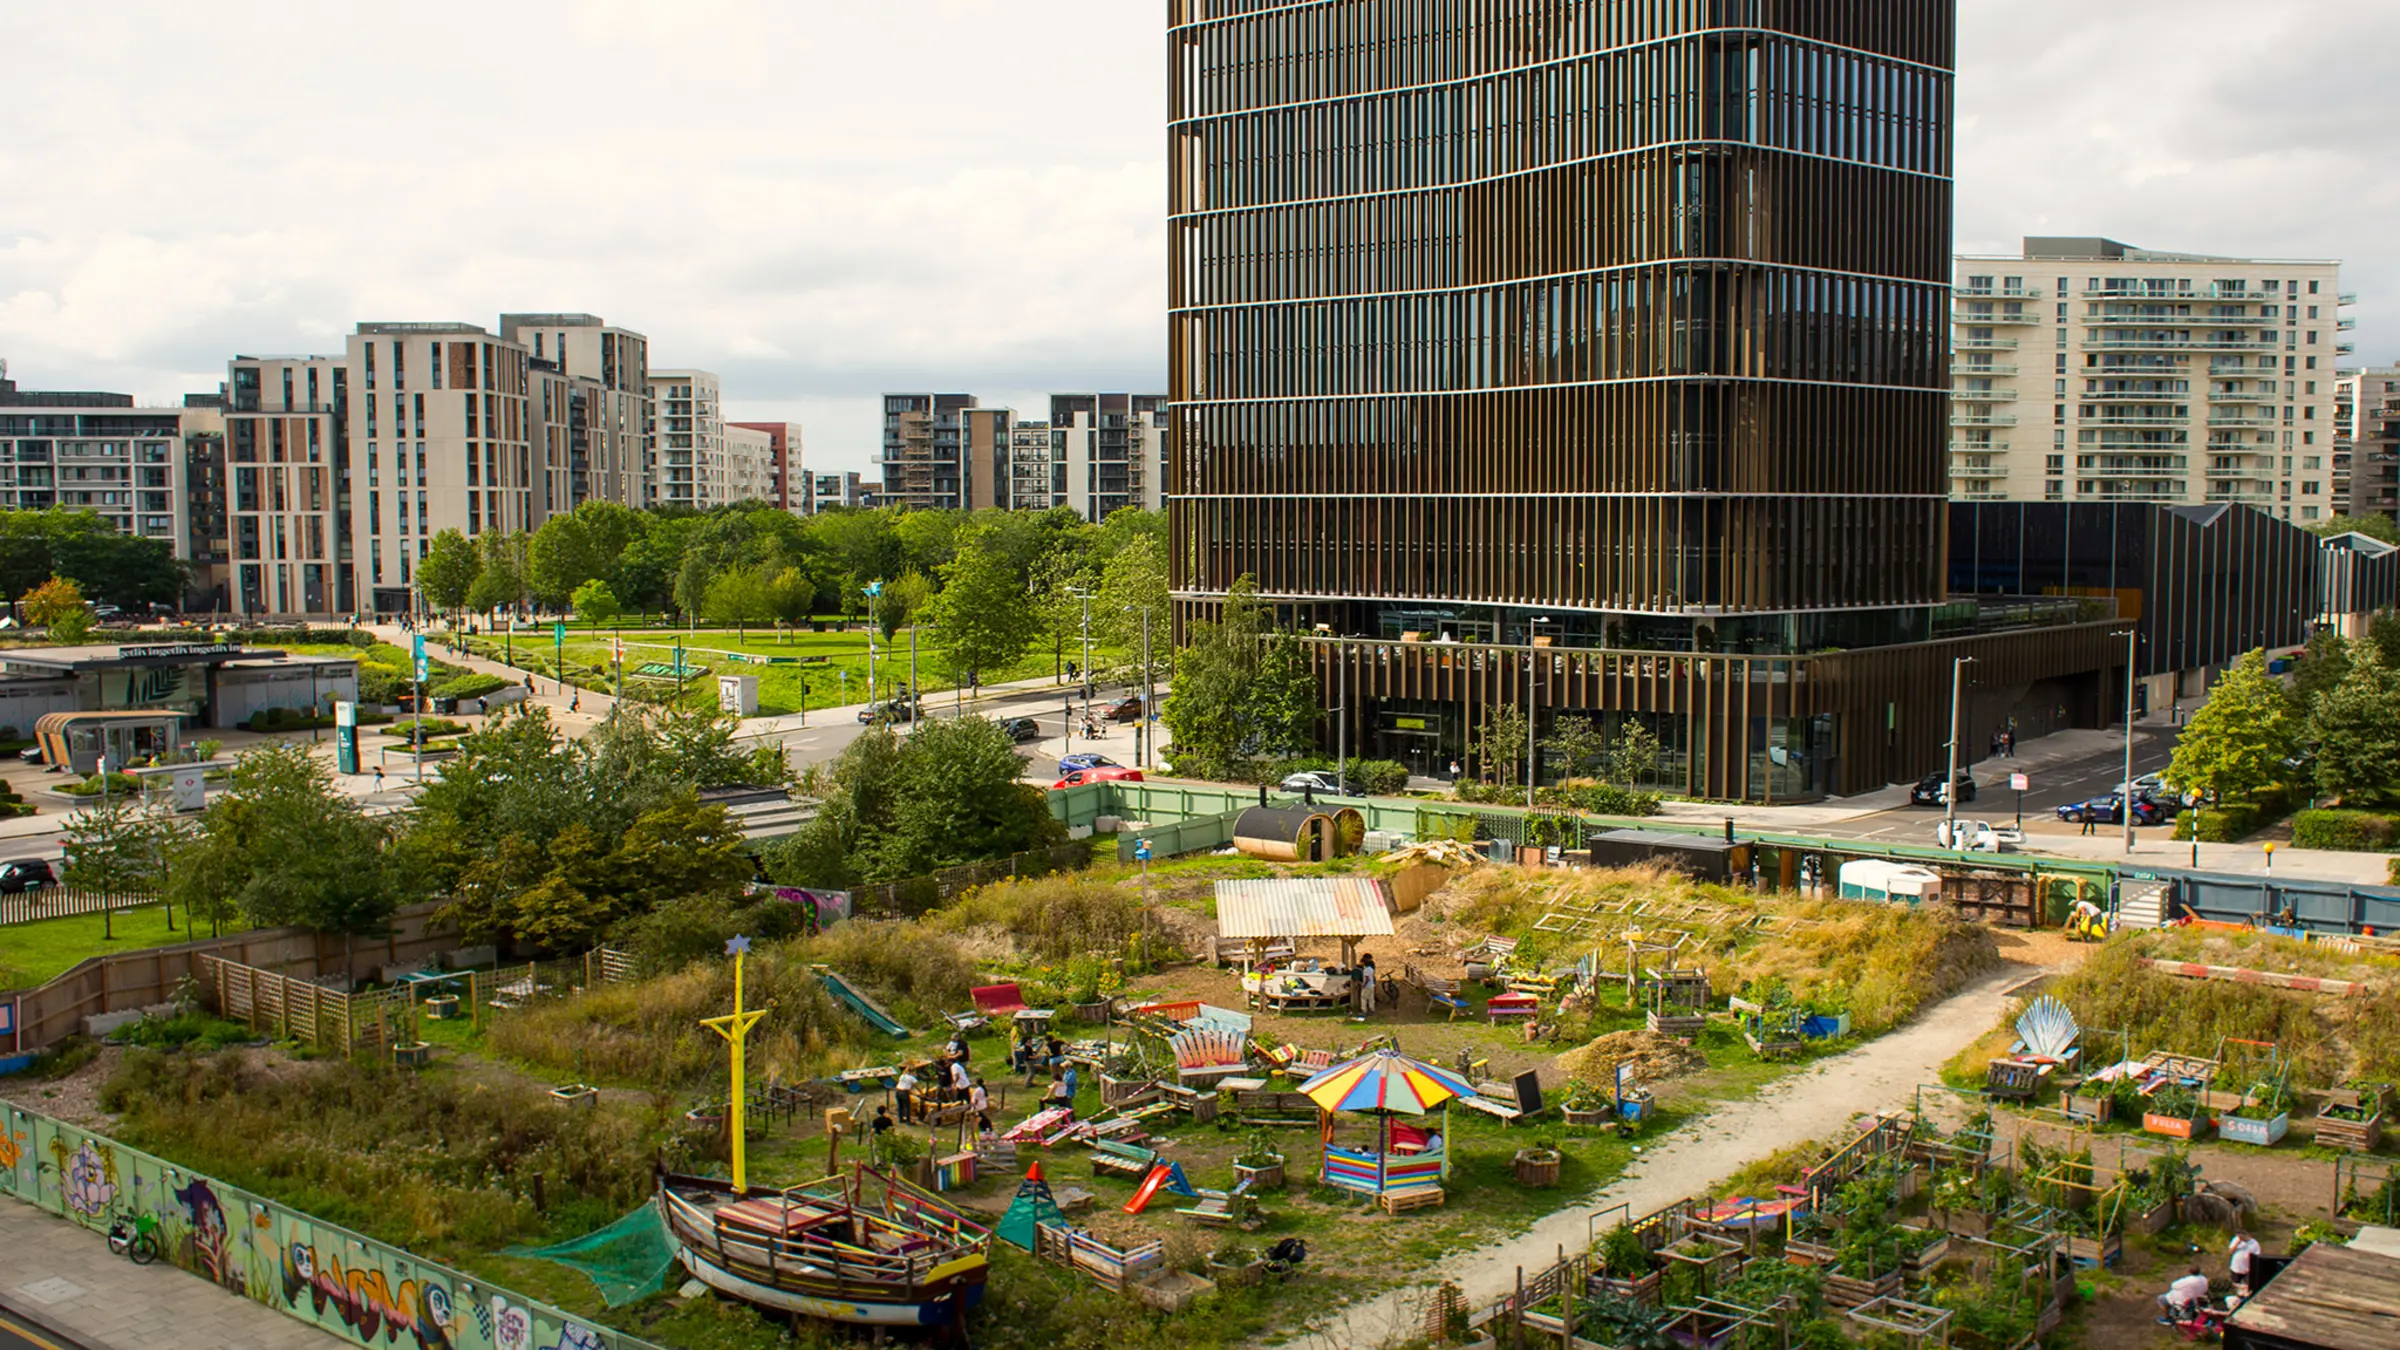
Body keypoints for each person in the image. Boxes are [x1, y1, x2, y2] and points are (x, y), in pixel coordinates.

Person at [2228, 1231, 2261, 1297]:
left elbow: (2257, 1256)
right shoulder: (2236, 1240)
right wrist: (2237, 1243)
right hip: (2236, 1268)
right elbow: (2230, 1251)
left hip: (2247, 1269)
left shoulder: (2254, 1243)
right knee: (2234, 1286)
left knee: (2248, 1287)